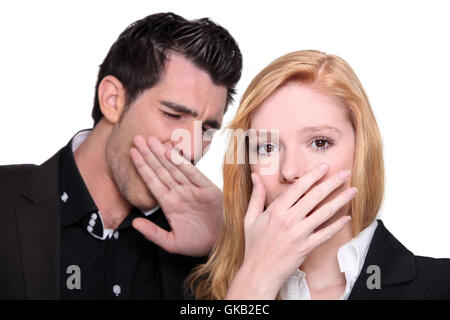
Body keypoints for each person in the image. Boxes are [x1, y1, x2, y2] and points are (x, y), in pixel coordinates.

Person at [0, 12, 242, 299]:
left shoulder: (208, 242)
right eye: (173, 114)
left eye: (206, 130)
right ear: (112, 100)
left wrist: (224, 249)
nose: (190, 150)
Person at [184, 50, 450, 299]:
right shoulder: (200, 292)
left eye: (320, 142)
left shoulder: (441, 285)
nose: (290, 172)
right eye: (267, 147)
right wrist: (255, 280)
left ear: (362, 151)